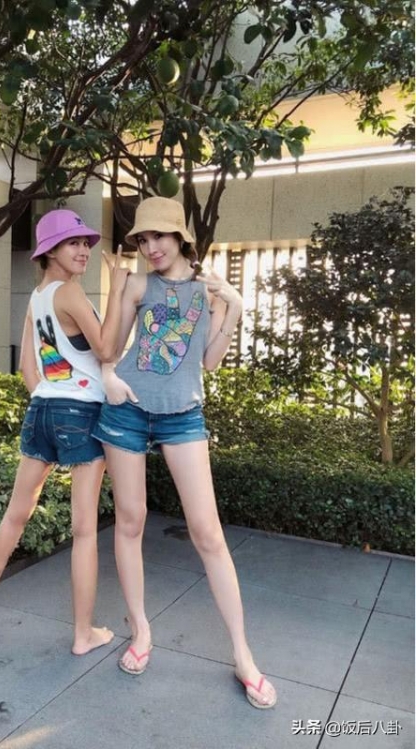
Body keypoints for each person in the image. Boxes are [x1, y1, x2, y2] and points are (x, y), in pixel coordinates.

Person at [93, 196, 277, 708]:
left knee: (209, 534)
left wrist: (235, 307)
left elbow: (210, 361)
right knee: (130, 521)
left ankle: (243, 654)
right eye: (143, 238)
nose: (150, 246)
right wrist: (115, 293)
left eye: (159, 236)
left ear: (180, 238)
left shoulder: (207, 289)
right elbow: (110, 349)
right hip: (128, 410)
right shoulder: (137, 284)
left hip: (183, 416)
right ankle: (141, 631)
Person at [0, 208, 129, 657]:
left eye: (85, 243)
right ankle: (83, 634)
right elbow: (107, 349)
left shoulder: (37, 297)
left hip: (41, 409)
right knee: (84, 530)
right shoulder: (71, 292)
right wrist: (117, 289)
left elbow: (27, 368)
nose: (84, 250)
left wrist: (52, 397)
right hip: (81, 414)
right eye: (73, 243)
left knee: (16, 513)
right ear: (50, 251)